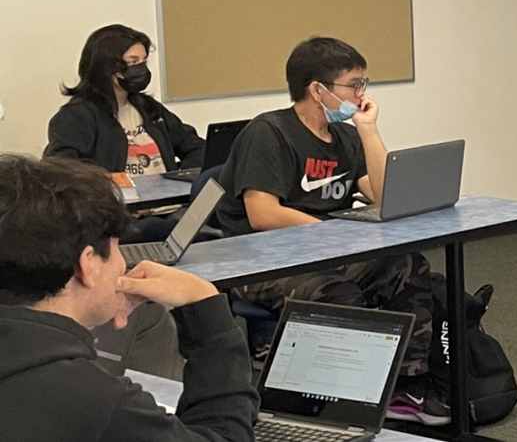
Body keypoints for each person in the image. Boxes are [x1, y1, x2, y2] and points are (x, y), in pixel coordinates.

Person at [211, 37, 446, 426]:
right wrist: (334, 235)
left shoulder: (346, 138)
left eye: (362, 84)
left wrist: (369, 131)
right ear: (317, 89)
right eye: (353, 85)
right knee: (339, 293)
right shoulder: (269, 133)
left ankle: (406, 385)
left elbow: (385, 197)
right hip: (261, 262)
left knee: (409, 267)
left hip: (327, 254)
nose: (361, 93)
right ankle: (345, 399)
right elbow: (263, 213)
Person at [0, 154, 255, 442]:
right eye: (118, 248)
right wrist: (207, 310)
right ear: (89, 264)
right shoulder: (100, 402)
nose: (124, 264)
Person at [45, 24, 206, 243]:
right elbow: (61, 170)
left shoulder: (149, 109)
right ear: (106, 66)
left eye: (143, 62)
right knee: (156, 229)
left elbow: (196, 146)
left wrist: (184, 181)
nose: (140, 69)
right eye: (132, 63)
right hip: (122, 220)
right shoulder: (77, 116)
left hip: (172, 209)